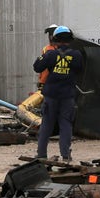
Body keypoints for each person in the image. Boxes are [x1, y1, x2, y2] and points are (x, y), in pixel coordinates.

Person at [32, 25, 84, 162]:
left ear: (55, 39)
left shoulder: (50, 54)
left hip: (51, 95)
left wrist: (45, 56)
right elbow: (80, 70)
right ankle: (65, 155)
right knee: (66, 124)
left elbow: (37, 67)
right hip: (67, 95)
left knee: (47, 125)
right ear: (70, 39)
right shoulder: (77, 55)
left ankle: (41, 154)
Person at [37, 24, 59, 91]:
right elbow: (42, 67)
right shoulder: (45, 49)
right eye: (50, 36)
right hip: (44, 82)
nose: (51, 37)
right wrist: (40, 80)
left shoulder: (60, 49)